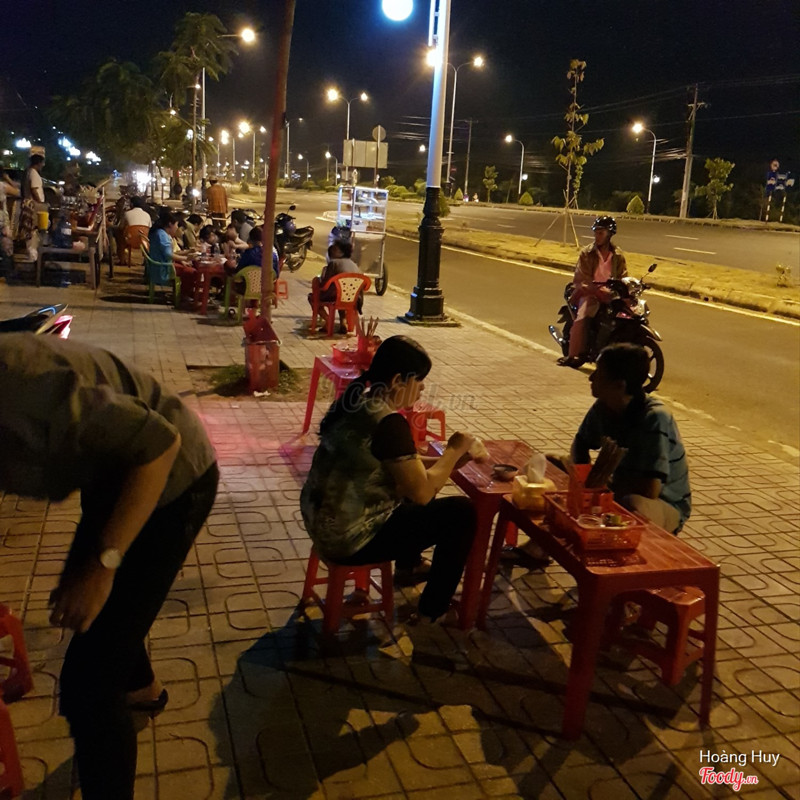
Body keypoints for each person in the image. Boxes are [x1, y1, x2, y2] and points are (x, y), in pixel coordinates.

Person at [0, 333, 219, 800]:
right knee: (95, 615)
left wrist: (103, 566)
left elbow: (160, 445)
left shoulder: (21, 390)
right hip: (114, 471)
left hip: (172, 476)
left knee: (88, 686)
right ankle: (142, 689)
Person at [301, 336, 478, 623]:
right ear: (398, 380)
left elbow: (406, 467)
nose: (422, 388)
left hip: (319, 521)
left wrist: (453, 461)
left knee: (411, 488)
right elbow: (422, 492)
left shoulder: (357, 402)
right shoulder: (388, 422)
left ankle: (409, 566)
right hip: (348, 539)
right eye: (418, 380)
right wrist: (454, 449)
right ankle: (432, 610)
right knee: (461, 513)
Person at [570, 343, 691, 534]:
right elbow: (581, 444)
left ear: (620, 385)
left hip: (665, 504)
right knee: (555, 464)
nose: (591, 378)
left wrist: (602, 485)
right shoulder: (603, 407)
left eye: (599, 373)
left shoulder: (654, 417)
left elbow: (650, 490)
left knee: (632, 503)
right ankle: (548, 543)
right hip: (618, 490)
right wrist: (582, 480)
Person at [557, 215, 628, 368]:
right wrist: (595, 289)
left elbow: (623, 276)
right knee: (582, 317)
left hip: (610, 294)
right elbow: (582, 278)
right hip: (589, 293)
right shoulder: (587, 253)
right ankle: (572, 355)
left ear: (609, 234)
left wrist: (626, 288)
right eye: (596, 232)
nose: (597, 236)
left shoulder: (618, 255)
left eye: (601, 233)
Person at [309, 240, 363, 333]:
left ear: (342, 252)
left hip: (336, 297)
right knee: (340, 294)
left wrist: (319, 282)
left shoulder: (334, 263)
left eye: (335, 249)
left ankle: (328, 320)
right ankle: (343, 322)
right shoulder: (354, 265)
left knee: (312, 298)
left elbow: (325, 284)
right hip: (354, 299)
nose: (331, 251)